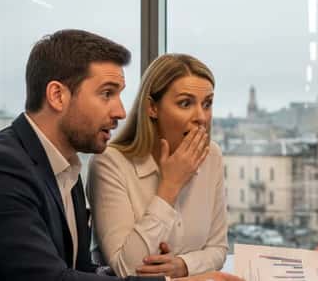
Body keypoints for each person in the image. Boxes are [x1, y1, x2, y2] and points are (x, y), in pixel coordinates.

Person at [0, 30, 241, 281]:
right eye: (107, 94)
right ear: (57, 95)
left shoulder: (64, 170)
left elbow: (80, 270)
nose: (120, 111)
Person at [88, 54, 229, 280]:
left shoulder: (212, 155)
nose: (201, 117)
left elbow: (219, 249)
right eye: (185, 103)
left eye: (207, 103)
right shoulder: (110, 162)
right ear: (152, 108)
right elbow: (127, 269)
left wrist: (182, 265)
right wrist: (169, 187)